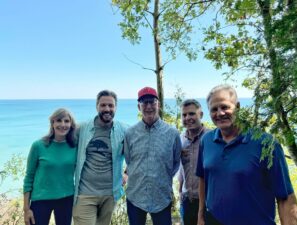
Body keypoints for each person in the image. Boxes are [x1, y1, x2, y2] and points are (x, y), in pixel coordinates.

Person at [196, 84, 297, 225]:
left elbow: (285, 197)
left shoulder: (266, 143)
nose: (220, 113)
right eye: (214, 109)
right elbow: (203, 178)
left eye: (225, 107)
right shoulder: (206, 141)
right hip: (214, 220)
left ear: (237, 107)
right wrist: (201, 216)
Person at [124, 86, 182, 225]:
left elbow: (175, 163)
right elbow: (129, 160)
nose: (149, 106)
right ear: (139, 107)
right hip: (135, 196)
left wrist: (161, 177)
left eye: (152, 102)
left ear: (158, 104)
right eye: (145, 103)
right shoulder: (130, 133)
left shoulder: (172, 133)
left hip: (161, 197)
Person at [72, 90, 127, 225]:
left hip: (110, 194)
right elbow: (63, 144)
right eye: (103, 105)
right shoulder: (82, 128)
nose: (107, 109)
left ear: (116, 107)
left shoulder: (124, 130)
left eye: (111, 105)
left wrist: (127, 173)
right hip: (85, 193)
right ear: (97, 106)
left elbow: (137, 155)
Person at [23, 108, 77, 225]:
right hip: (40, 200)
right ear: (52, 123)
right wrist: (26, 209)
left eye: (66, 121)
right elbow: (29, 177)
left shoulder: (75, 146)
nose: (63, 124)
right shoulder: (38, 145)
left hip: (66, 199)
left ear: (71, 124)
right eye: (59, 120)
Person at [178, 99, 209, 225]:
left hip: (207, 201)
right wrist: (180, 191)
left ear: (200, 115)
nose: (187, 118)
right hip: (187, 200)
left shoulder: (211, 137)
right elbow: (182, 168)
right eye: (184, 115)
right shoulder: (181, 139)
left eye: (191, 114)